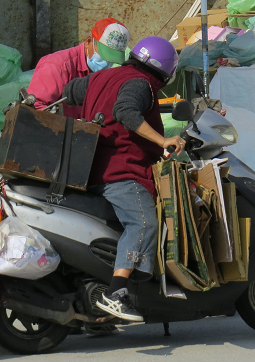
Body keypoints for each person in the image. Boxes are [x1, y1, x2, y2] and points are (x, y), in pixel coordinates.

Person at [62, 36, 182, 322]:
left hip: (90, 168)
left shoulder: (102, 76)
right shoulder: (142, 84)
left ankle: (101, 307)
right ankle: (116, 293)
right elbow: (125, 112)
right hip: (121, 171)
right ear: (164, 70)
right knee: (142, 222)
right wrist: (162, 141)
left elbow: (69, 91)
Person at [28, 18, 130, 115]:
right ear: (89, 42)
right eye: (104, 56)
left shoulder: (105, 74)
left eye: (112, 60)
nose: (107, 63)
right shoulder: (56, 66)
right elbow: (35, 110)